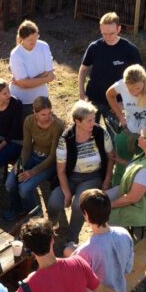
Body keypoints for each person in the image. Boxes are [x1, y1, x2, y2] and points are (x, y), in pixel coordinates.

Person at [47, 100, 116, 251]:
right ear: (77, 121)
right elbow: (61, 170)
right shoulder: (65, 139)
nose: (94, 122)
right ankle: (53, 222)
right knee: (54, 201)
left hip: (92, 176)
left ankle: (71, 239)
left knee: (79, 205)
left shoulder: (100, 133)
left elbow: (111, 157)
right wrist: (66, 192)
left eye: (94, 118)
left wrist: (107, 179)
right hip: (70, 176)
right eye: (89, 120)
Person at [67, 189, 134, 292]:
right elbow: (127, 268)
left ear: (86, 215)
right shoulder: (124, 233)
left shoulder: (85, 251)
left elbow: (74, 284)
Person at [106, 64, 146, 185]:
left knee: (143, 169)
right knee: (121, 166)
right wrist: (120, 116)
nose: (133, 92)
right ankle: (117, 194)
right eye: (129, 89)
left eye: (137, 88)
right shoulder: (121, 85)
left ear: (144, 82)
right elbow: (109, 94)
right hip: (127, 131)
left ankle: (136, 195)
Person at [4, 96, 65, 222]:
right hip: (33, 155)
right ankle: (17, 208)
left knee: (24, 188)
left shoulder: (57, 126)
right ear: (35, 113)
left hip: (49, 162)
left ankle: (35, 211)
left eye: (49, 113)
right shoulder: (29, 121)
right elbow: (26, 147)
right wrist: (20, 164)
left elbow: (53, 156)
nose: (47, 117)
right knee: (10, 183)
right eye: (43, 114)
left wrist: (32, 172)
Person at [78, 12, 142, 125]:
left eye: (111, 33)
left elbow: (140, 80)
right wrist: (82, 93)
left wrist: (128, 102)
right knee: (89, 134)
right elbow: (83, 69)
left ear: (119, 29)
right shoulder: (94, 47)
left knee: (116, 138)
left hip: (116, 103)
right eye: (104, 33)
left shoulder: (130, 50)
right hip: (93, 100)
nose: (107, 37)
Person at [107, 123, 146, 229]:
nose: (138, 136)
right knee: (101, 199)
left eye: (141, 135)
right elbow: (139, 164)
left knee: (103, 216)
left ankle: (118, 240)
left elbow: (132, 198)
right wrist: (120, 160)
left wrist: (109, 206)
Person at [9, 20, 56, 118]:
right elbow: (25, 83)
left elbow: (48, 71)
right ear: (22, 39)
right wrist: (46, 79)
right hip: (23, 101)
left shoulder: (44, 46)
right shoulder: (16, 54)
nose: (34, 42)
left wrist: (26, 82)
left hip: (41, 98)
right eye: (30, 40)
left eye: (36, 37)